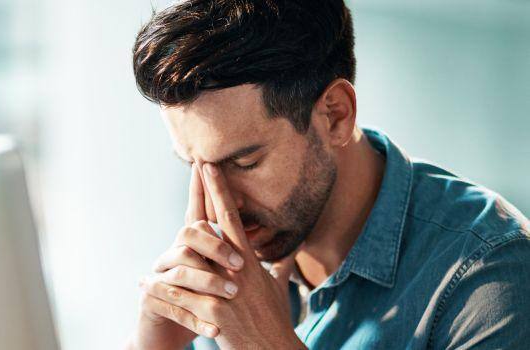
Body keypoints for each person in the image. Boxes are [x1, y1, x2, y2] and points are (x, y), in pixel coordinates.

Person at [126, 0, 530, 349]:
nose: (221, 203)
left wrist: (263, 343)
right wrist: (149, 345)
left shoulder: (492, 274)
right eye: (195, 167)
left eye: (245, 162)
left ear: (334, 115)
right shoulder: (226, 272)